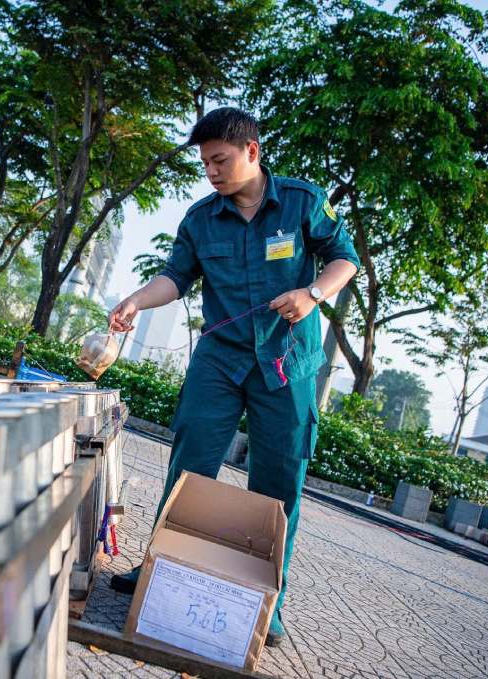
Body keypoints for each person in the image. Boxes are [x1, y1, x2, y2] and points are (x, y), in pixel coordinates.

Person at [107, 107, 359, 647]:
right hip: (219, 361)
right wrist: (135, 301)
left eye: (220, 160)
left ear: (252, 151)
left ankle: (269, 599)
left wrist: (312, 294)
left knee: (279, 482)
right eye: (205, 164)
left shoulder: (302, 202)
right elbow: (175, 277)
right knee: (190, 464)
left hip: (286, 362)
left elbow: (345, 259)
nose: (212, 172)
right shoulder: (201, 219)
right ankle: (157, 567)